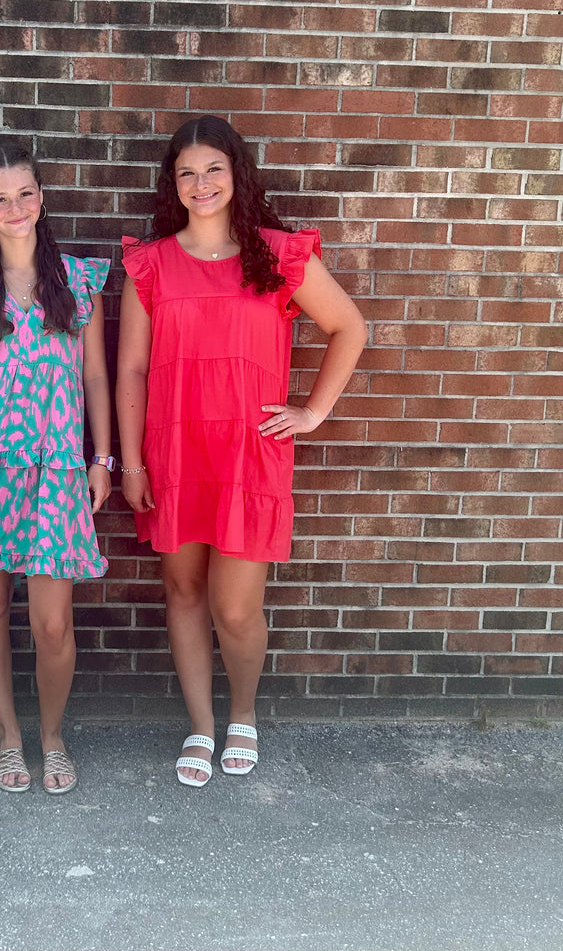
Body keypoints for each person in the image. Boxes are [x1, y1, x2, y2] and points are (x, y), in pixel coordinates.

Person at [116, 115, 367, 787]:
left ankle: (244, 713)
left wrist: (312, 412)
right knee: (183, 592)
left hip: (248, 454)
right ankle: (200, 724)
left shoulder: (276, 255)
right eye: (187, 173)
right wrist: (131, 462)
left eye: (213, 170)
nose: (201, 184)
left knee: (235, 607)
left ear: (237, 175)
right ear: (172, 184)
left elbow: (349, 326)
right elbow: (132, 369)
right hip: (173, 450)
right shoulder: (151, 264)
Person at [0, 142, 113, 796]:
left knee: (52, 623)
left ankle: (52, 735)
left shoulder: (79, 280)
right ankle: (8, 735)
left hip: (58, 472)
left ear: (42, 198)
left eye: (25, 194)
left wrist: (102, 458)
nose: (15, 208)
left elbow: (95, 377)